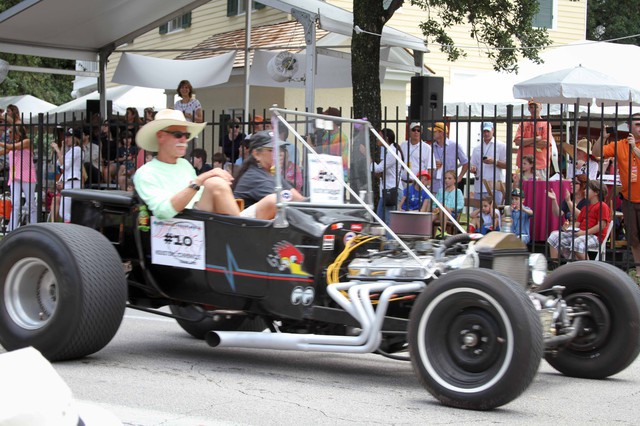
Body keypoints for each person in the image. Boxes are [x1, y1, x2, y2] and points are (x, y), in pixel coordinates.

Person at [134, 109, 278, 220]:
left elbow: (201, 196)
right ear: (161, 136)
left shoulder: (184, 164)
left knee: (274, 200)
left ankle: (240, 229)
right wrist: (202, 179)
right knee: (215, 183)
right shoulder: (146, 173)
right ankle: (240, 232)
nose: (184, 139)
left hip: (202, 223)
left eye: (187, 135)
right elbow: (164, 212)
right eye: (178, 134)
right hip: (181, 228)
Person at [592, 113, 640, 279]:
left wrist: (635, 148)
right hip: (628, 198)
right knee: (632, 237)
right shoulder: (620, 145)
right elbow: (596, 153)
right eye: (637, 124)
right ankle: (639, 270)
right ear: (629, 127)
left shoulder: (634, 146)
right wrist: (602, 137)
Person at [233, 131, 306, 208]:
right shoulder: (255, 177)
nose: (280, 153)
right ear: (257, 154)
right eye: (271, 150)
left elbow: (299, 199)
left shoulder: (272, 174)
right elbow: (283, 206)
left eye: (280, 148)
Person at [546, 179, 611, 260]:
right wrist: (569, 228)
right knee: (554, 236)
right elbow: (577, 224)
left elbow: (601, 225)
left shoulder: (602, 206)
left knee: (577, 243)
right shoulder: (585, 208)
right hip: (581, 234)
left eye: (588, 189)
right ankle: (554, 264)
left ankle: (586, 268)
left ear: (596, 192)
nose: (585, 191)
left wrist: (584, 233)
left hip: (595, 237)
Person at [0, 123, 38, 231]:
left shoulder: (27, 142)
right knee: (15, 204)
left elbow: (11, 147)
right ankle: (11, 229)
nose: (9, 134)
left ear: (17, 133)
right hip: (14, 176)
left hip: (27, 175)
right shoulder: (13, 144)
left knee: (30, 203)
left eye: (10, 132)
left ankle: (33, 227)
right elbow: (4, 151)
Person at [513, 99, 552, 179]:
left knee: (540, 189)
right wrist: (535, 139)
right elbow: (517, 141)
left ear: (541, 108)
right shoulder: (523, 123)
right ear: (528, 109)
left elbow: (546, 143)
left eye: (536, 107)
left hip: (540, 164)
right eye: (531, 107)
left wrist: (527, 143)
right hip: (524, 165)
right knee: (523, 189)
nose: (533, 109)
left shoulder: (545, 124)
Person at [51, 128, 84, 222]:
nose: (66, 139)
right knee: (64, 212)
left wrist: (57, 149)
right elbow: (59, 163)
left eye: (69, 137)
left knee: (66, 212)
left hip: (73, 181)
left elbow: (64, 165)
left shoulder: (77, 149)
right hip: (69, 181)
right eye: (66, 137)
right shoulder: (71, 150)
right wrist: (60, 149)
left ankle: (70, 232)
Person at [372, 128, 403, 224]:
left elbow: (378, 168)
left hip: (392, 190)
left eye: (379, 136)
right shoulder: (386, 151)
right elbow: (382, 171)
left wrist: (368, 158)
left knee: (388, 222)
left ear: (386, 138)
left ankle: (390, 239)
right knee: (380, 220)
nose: (377, 138)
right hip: (386, 190)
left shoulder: (392, 153)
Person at [470, 122, 506, 202]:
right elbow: (473, 165)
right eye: (484, 131)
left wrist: (494, 161)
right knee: (478, 211)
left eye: (488, 131)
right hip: (479, 186)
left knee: (495, 212)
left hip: (495, 186)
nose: (486, 134)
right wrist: (473, 169)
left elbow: (507, 165)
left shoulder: (501, 145)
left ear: (493, 130)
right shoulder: (477, 148)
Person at [428, 121, 468, 193]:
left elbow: (465, 163)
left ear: (441, 133)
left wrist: (460, 177)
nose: (432, 133)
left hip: (449, 187)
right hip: (434, 186)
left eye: (435, 131)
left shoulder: (455, 146)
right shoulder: (431, 147)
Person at [316, 107, 349, 175]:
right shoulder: (326, 135)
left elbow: (331, 155)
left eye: (326, 119)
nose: (324, 122)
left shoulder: (341, 137)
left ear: (333, 121)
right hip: (327, 173)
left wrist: (311, 146)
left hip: (338, 174)